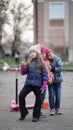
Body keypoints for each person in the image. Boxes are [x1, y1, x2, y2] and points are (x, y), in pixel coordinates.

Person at [19, 44, 48, 122]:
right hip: (29, 84)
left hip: (38, 85)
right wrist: (22, 66)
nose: (31, 54)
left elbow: (45, 75)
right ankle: (24, 112)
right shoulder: (29, 63)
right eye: (30, 52)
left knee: (38, 100)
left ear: (37, 53)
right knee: (21, 96)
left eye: (33, 52)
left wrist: (44, 86)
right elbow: (23, 72)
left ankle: (36, 116)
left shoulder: (41, 64)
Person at [46, 48, 63, 115]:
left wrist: (53, 68)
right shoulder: (47, 62)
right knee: (51, 95)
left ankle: (57, 108)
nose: (51, 56)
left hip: (58, 81)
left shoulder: (57, 59)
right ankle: (52, 109)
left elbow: (60, 68)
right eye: (49, 55)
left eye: (51, 54)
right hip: (50, 81)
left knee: (58, 96)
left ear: (53, 53)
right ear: (47, 57)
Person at [40, 44, 54, 117]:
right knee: (41, 96)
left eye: (44, 53)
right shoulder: (40, 61)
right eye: (42, 53)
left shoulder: (46, 60)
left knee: (43, 96)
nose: (44, 54)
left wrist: (50, 75)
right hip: (41, 82)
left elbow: (49, 70)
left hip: (45, 81)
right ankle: (38, 111)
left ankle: (38, 110)